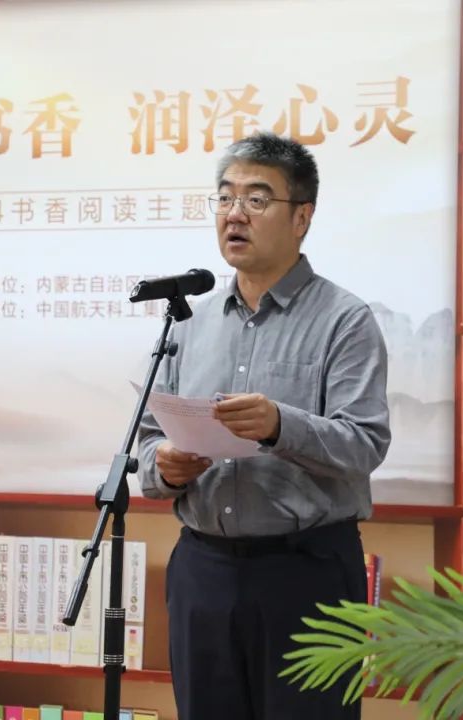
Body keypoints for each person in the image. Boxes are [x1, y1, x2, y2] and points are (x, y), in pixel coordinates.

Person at [138, 132, 391, 720]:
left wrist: (280, 425)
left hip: (306, 575)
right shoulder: (188, 323)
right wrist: (165, 467)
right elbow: (149, 440)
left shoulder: (345, 321)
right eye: (225, 197)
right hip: (203, 569)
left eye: (256, 199)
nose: (235, 214)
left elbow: (365, 443)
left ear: (302, 217)